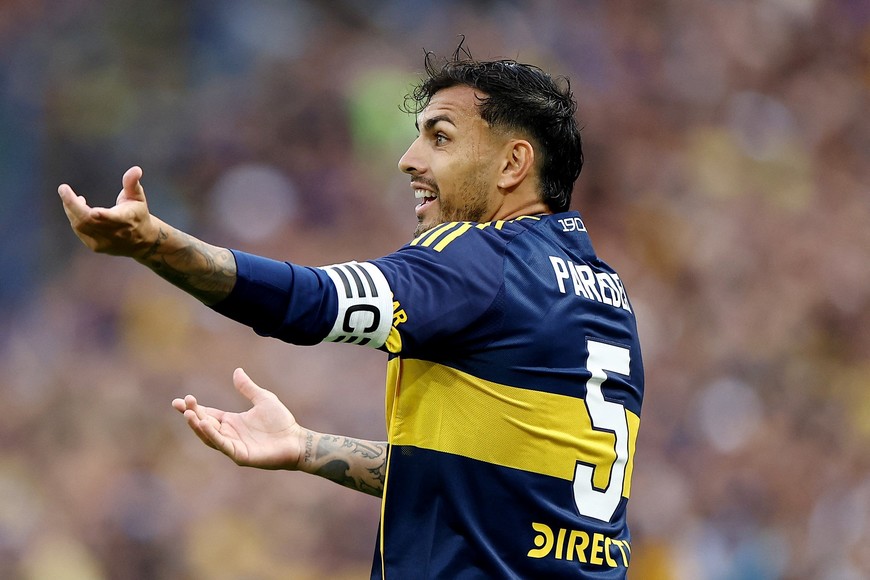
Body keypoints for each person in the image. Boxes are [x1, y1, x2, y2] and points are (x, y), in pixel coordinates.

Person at [59, 45, 644, 579]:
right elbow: (486, 484)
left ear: (513, 164)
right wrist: (311, 449)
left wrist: (154, 244)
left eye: (439, 137)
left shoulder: (480, 255)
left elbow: (310, 304)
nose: (408, 159)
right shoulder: (605, 295)